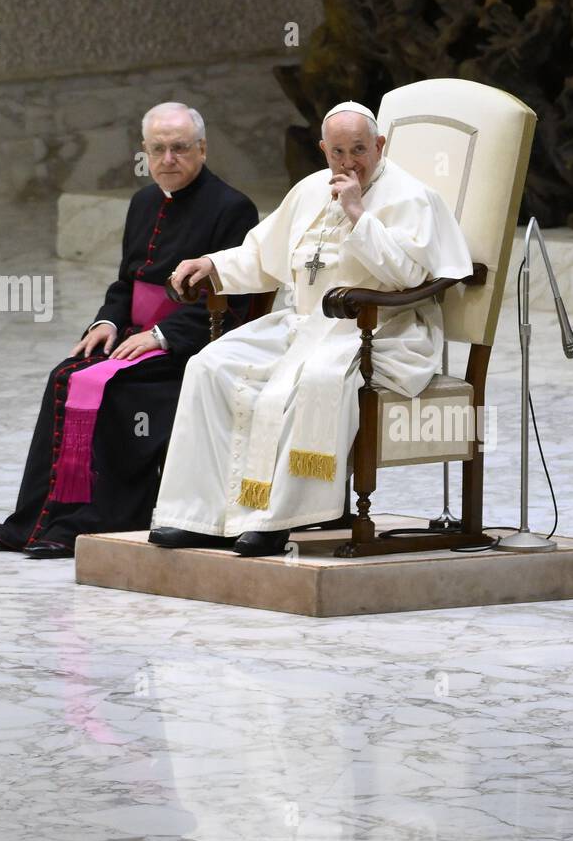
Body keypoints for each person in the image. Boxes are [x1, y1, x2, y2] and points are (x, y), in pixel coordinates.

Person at [147, 100, 472, 557]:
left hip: (382, 331)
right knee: (210, 364)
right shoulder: (310, 190)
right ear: (323, 149)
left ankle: (279, 520)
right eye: (337, 152)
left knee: (317, 377)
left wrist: (360, 214)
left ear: (379, 145)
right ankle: (200, 516)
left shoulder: (412, 197)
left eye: (359, 149)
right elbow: (262, 255)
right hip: (304, 325)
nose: (348, 162)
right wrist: (211, 263)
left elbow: (410, 277)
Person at [0, 103, 258, 558]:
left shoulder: (232, 207)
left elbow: (233, 297)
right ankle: (33, 521)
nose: (168, 159)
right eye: (158, 149)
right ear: (144, 151)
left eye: (180, 148)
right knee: (66, 375)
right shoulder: (143, 202)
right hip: (132, 336)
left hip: (193, 347)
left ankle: (96, 520)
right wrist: (105, 322)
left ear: (202, 149)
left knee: (114, 389)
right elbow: (127, 282)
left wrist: (161, 335)